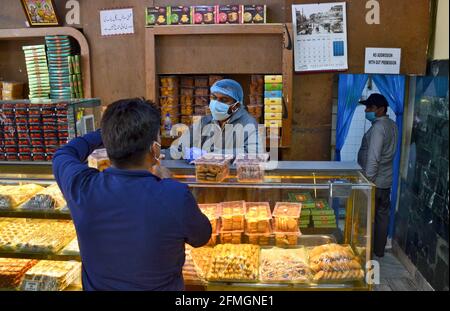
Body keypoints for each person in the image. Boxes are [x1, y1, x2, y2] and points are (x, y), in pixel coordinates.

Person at [53, 98, 212, 291]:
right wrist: (168, 181)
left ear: (108, 143)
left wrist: (106, 134)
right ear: (154, 149)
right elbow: (202, 236)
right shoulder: (175, 195)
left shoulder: (82, 187)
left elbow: (64, 153)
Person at [175, 79, 263, 161]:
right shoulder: (206, 121)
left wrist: (214, 155)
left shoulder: (248, 123)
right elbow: (179, 147)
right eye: (214, 98)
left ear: (236, 106)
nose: (217, 103)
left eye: (224, 100)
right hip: (205, 172)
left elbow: (255, 153)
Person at [358, 93, 398, 258]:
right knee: (382, 216)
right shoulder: (392, 125)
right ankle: (379, 250)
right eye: (366, 107)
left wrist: (367, 181)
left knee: (369, 218)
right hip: (386, 180)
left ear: (381, 109)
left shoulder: (378, 128)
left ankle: (366, 253)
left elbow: (374, 157)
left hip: (374, 182)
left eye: (370, 107)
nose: (366, 110)